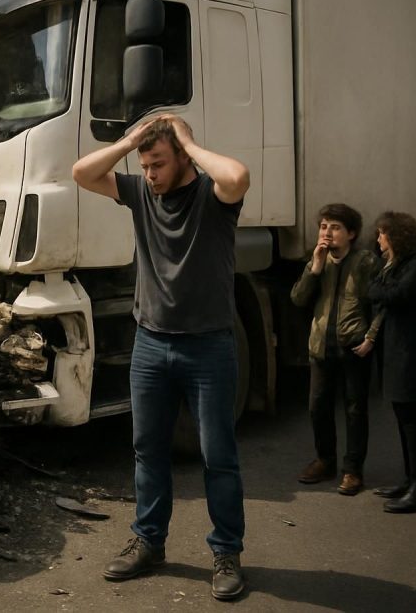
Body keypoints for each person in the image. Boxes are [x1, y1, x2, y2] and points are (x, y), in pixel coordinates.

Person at [72, 114, 251, 601]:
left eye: (158, 164)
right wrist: (130, 141)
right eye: (144, 166)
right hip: (151, 344)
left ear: (181, 158)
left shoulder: (214, 198)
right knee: (148, 451)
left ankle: (226, 553)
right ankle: (149, 542)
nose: (149, 174)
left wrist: (189, 142)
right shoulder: (138, 193)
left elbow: (237, 176)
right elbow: (82, 173)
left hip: (209, 346)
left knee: (219, 457)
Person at [290, 204, 381, 495]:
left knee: (355, 410)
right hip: (321, 347)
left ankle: (353, 470)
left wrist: (371, 338)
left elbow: (380, 304)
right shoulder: (318, 262)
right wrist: (313, 268)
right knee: (318, 407)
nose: (327, 233)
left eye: (335, 227)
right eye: (323, 226)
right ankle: (324, 460)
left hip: (354, 347)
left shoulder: (364, 262)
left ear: (351, 233)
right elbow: (298, 299)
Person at [368, 211, 416, 513]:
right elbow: (377, 290)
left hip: (411, 353)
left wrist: (379, 290)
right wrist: (380, 289)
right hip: (396, 350)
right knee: (403, 418)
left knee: (412, 420)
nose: (378, 240)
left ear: (397, 236)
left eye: (382, 234)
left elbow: (394, 294)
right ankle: (409, 478)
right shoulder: (396, 264)